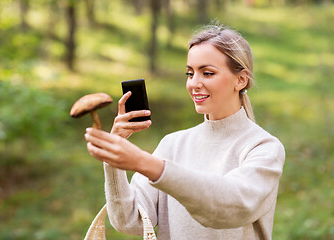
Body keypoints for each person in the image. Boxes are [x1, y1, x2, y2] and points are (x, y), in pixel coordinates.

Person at [84, 23, 285, 240]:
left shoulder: (263, 147)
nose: (194, 84)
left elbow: (232, 206)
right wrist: (114, 159)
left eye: (207, 73)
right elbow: (130, 221)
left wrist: (145, 163)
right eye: (190, 73)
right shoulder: (173, 144)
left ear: (241, 79)